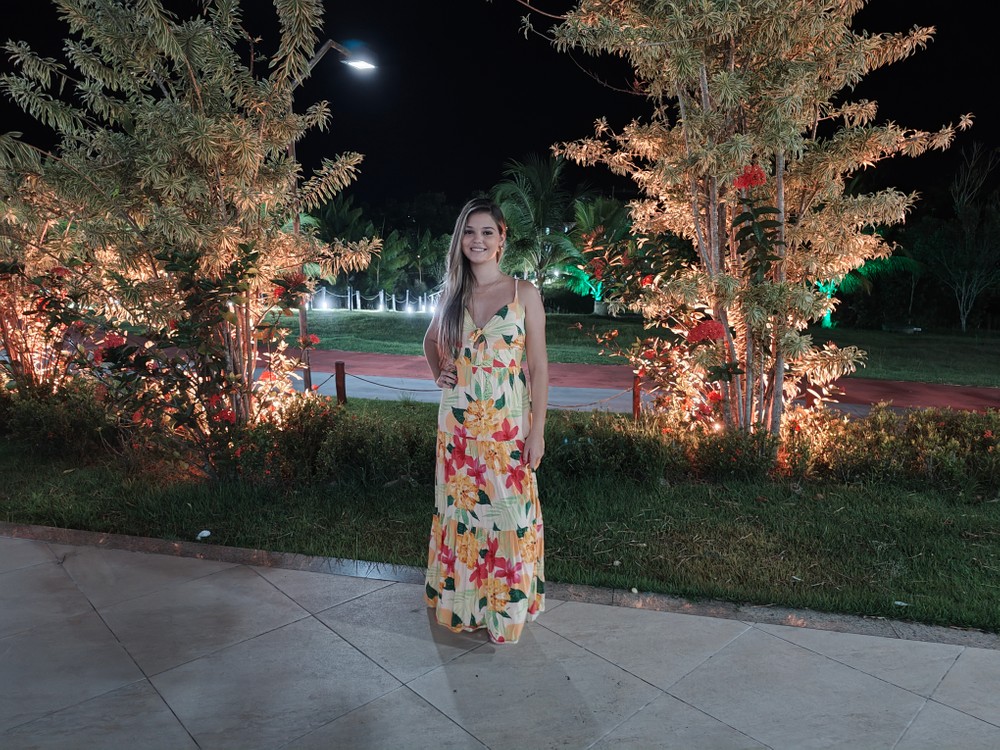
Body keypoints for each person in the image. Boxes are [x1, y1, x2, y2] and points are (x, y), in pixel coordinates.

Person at [422, 197, 548, 644]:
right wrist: (439, 371)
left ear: (501, 239)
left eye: (487, 232)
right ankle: (467, 609)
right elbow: (430, 341)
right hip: (457, 430)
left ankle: (505, 613)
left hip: (507, 430)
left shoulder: (523, 294)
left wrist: (537, 431)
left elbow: (539, 367)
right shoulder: (452, 295)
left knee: (509, 517)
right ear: (461, 239)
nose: (477, 240)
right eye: (469, 232)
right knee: (463, 519)